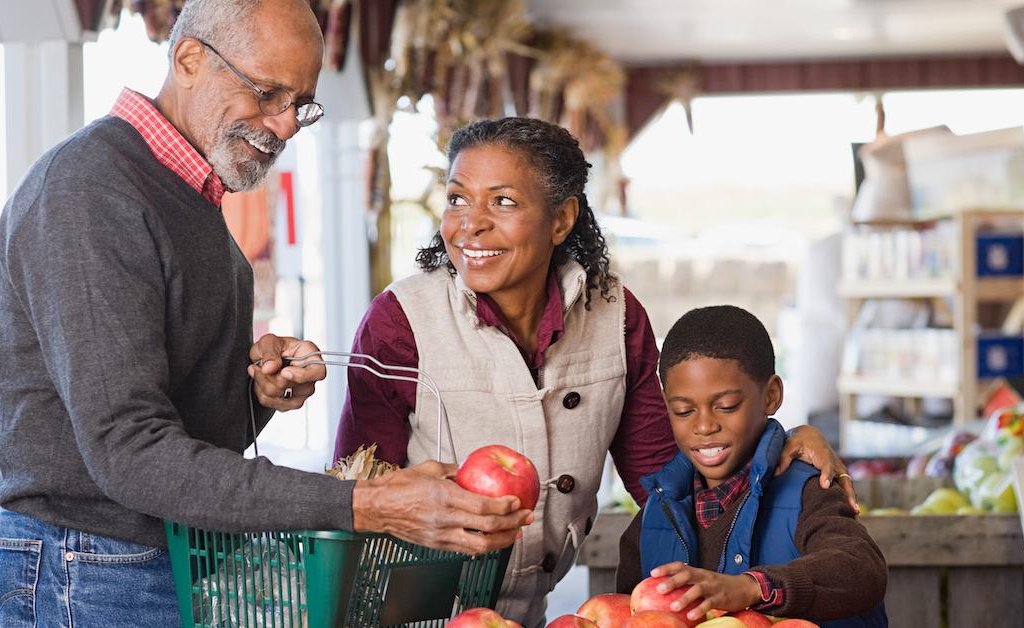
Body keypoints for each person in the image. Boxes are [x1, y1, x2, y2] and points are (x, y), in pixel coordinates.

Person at [0, 1, 528, 626]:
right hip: (90, 567)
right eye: (269, 93)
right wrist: (362, 504)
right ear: (189, 58)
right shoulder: (89, 190)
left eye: (301, 104)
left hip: (152, 559)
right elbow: (130, 452)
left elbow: (182, 438)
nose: (288, 125)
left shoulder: (190, 193)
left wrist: (255, 399)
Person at [334, 117, 856, 626]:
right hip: (404, 610)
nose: (470, 222)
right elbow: (357, 489)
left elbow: (668, 480)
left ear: (561, 219)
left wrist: (778, 442)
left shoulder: (615, 316)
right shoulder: (400, 321)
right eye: (457, 198)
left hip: (529, 613)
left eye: (504, 201)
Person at [616, 306, 887, 626]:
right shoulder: (655, 515)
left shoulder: (807, 491)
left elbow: (861, 568)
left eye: (726, 406)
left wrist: (752, 587)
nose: (704, 426)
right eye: (683, 411)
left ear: (771, 396)